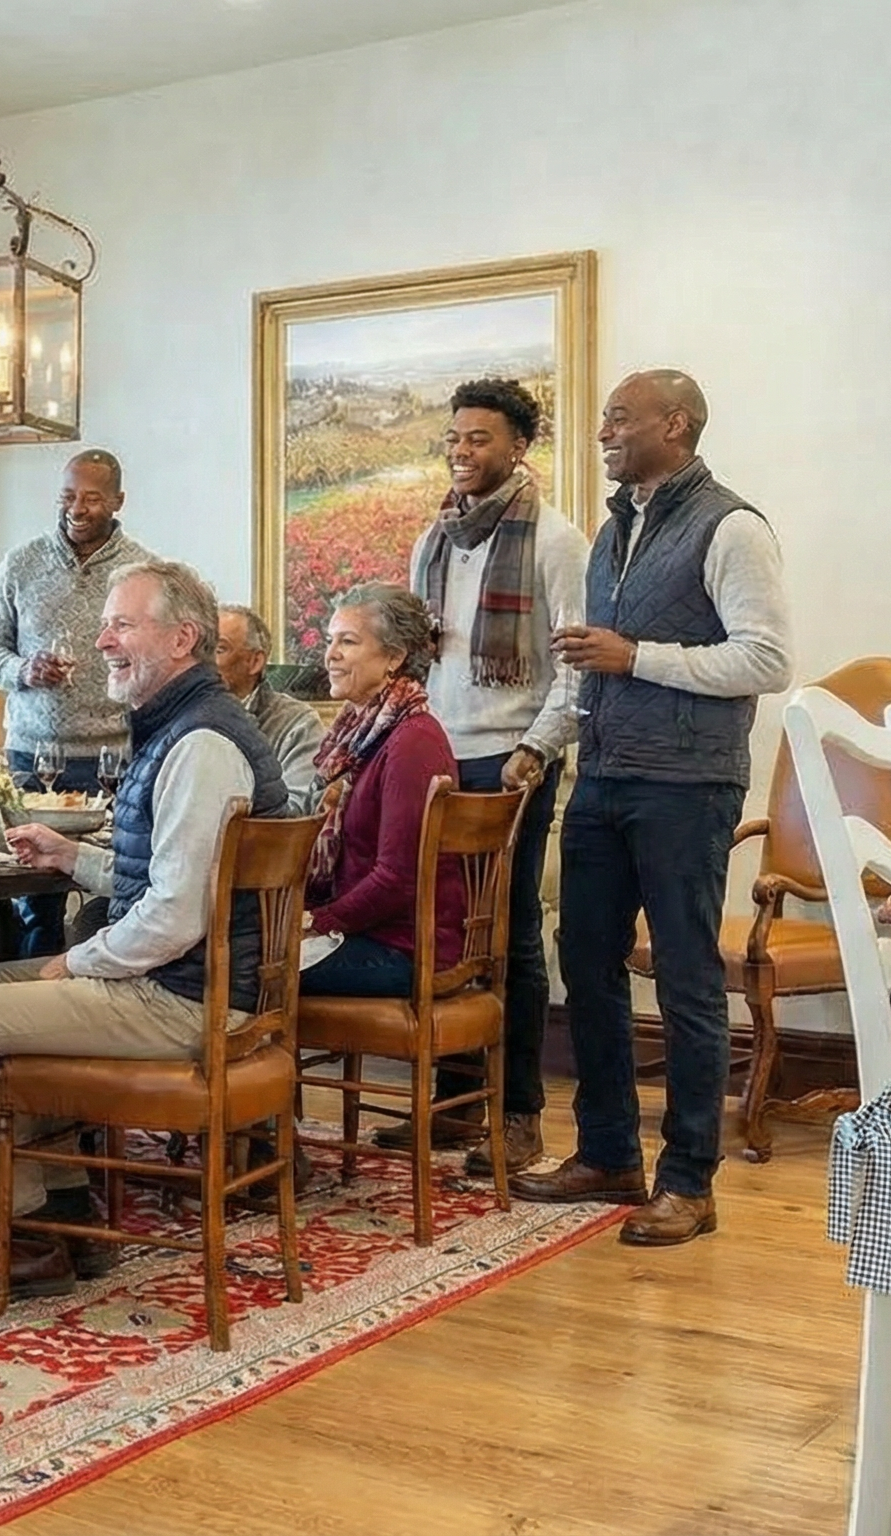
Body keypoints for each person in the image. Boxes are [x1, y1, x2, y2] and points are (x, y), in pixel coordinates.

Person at [0, 558, 288, 1300]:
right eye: (104, 626)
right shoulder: (193, 725)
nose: (102, 642)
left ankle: (21, 1236)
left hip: (186, 998)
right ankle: (62, 1209)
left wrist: (79, 961)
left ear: (182, 639)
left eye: (122, 625)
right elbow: (173, 876)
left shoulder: (201, 745)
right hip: (200, 984)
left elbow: (175, 918)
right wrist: (74, 858)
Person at [518, 369, 791, 1247]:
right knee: (585, 962)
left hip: (687, 786)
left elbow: (765, 661)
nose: (603, 431)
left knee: (685, 978)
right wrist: (542, 744)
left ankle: (688, 1182)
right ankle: (606, 1155)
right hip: (602, 777)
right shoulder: (611, 533)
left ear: (675, 425)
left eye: (619, 418)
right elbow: (589, 663)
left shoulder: (733, 527)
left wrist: (636, 656)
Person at [389, 377, 589, 1176]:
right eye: (454, 439)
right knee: (442, 932)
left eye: (479, 439)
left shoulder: (556, 541)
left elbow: (577, 669)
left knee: (508, 937)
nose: (462, 452)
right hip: (437, 756)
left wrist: (536, 751)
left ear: (519, 447)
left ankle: (518, 1115)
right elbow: (415, 658)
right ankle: (454, 1105)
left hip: (512, 762)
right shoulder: (434, 539)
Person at [0, 449, 156, 954]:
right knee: (34, 900)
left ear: (118, 501)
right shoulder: (22, 562)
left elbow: (157, 659)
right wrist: (21, 671)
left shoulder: (143, 572)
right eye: (68, 496)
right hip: (31, 759)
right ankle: (30, 987)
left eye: (91, 498)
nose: (77, 508)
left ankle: (93, 981)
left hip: (115, 761)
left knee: (118, 888)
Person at [298, 585, 464, 999]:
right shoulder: (357, 734)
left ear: (394, 657)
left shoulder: (413, 741)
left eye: (348, 642)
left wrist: (317, 921)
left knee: (240, 966)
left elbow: (396, 879)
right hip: (367, 935)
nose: (331, 654)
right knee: (237, 947)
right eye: (330, 640)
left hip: (403, 949)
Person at [214, 603, 325, 813]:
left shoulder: (298, 724)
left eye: (219, 649)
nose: (204, 662)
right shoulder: (182, 716)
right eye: (201, 649)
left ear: (255, 662)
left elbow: (296, 813)